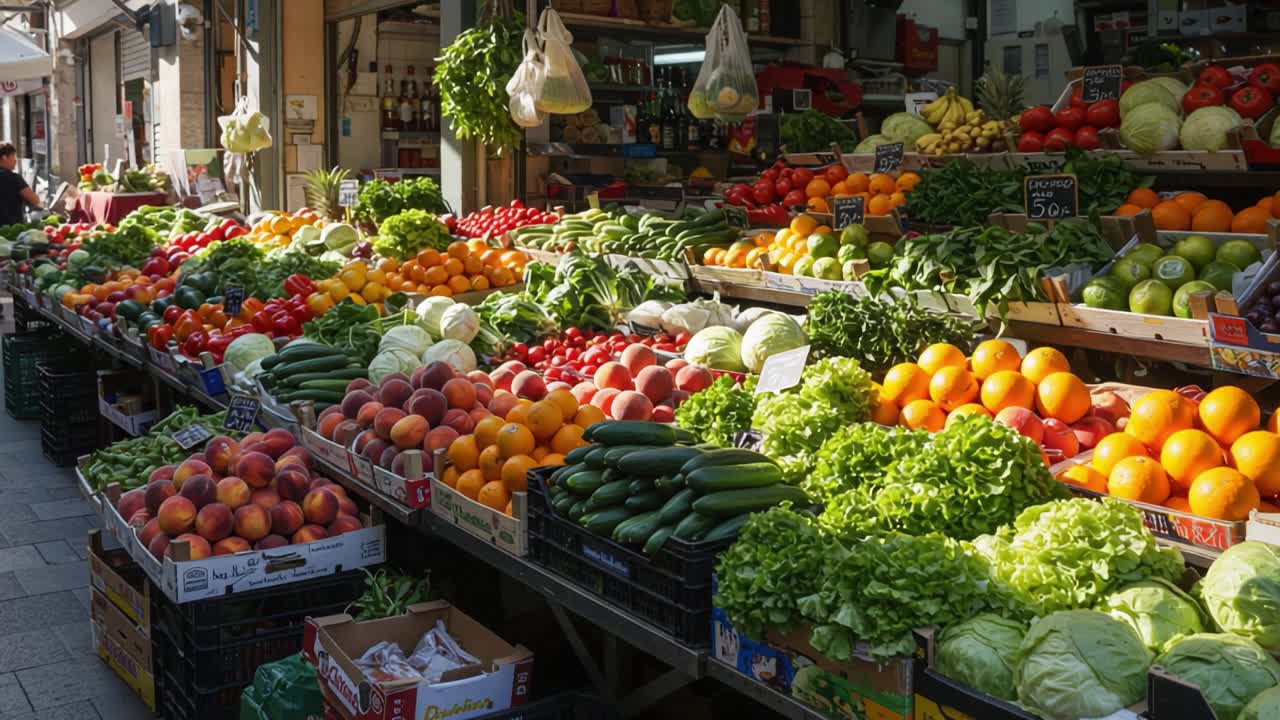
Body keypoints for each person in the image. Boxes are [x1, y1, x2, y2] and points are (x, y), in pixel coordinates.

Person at [0, 142, 42, 225]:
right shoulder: (13, 178)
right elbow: (35, 200)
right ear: (4, 157)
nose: (15, 160)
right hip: (11, 231)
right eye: (13, 156)